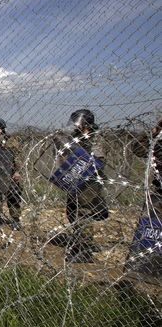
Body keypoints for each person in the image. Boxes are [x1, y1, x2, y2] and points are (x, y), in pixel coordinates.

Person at [60, 109, 108, 263]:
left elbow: (97, 160)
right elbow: (64, 150)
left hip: (89, 183)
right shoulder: (74, 137)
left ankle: (84, 250)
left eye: (78, 122)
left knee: (84, 215)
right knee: (72, 212)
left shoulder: (96, 137)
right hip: (75, 180)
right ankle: (78, 241)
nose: (76, 125)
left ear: (86, 123)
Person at [125, 117, 162, 278]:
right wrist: (154, 131)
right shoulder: (159, 137)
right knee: (151, 232)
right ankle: (145, 272)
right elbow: (138, 150)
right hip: (159, 191)